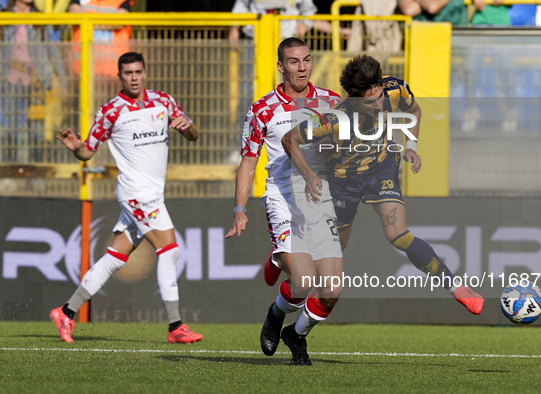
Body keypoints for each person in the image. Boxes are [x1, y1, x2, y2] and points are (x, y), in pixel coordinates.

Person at [283, 55, 485, 315]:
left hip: (382, 168)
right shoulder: (335, 119)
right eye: (370, 102)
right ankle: (282, 254)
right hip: (344, 180)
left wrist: (411, 147)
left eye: (379, 96)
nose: (379, 105)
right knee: (335, 248)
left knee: (398, 234)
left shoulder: (394, 89)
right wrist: (310, 175)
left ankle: (455, 287)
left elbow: (414, 111)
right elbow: (290, 139)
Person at [50, 52, 202, 344]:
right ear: (120, 77)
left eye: (138, 72)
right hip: (135, 192)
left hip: (153, 193)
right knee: (169, 251)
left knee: (114, 259)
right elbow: (87, 152)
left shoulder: (164, 102)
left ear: (145, 73)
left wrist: (188, 125)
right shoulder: (110, 112)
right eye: (128, 73)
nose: (134, 77)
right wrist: (74, 147)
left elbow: (193, 134)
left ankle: (66, 312)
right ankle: (176, 326)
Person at [224, 37, 341, 365]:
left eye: (306, 60)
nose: (302, 67)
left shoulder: (331, 102)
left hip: (320, 199)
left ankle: (295, 334)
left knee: (331, 290)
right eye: (294, 62)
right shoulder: (262, 110)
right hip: (283, 199)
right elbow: (248, 163)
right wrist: (239, 209)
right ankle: (276, 314)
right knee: (304, 282)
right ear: (281, 66)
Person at [0, 0, 67, 163]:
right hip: (10, 79)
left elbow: (52, 50)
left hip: (37, 81)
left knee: (37, 132)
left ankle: (34, 174)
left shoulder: (39, 19)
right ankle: (10, 172)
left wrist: (63, 81)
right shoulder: (5, 16)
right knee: (10, 129)